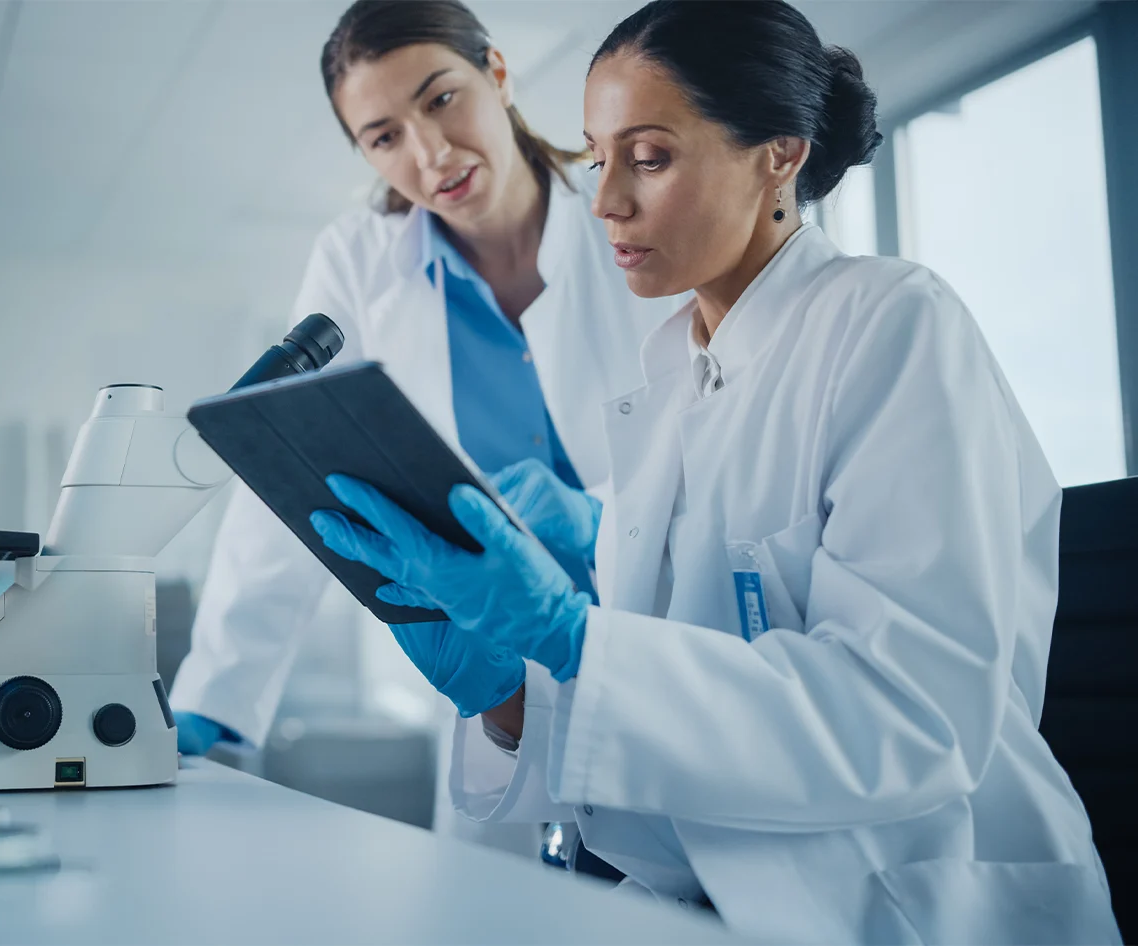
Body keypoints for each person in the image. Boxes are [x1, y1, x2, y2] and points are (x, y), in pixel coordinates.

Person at [308, 0, 1122, 941]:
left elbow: (912, 722)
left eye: (648, 157)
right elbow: (659, 738)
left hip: (911, 905)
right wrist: (507, 697)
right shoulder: (665, 389)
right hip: (695, 902)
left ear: (780, 153)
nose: (605, 198)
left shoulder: (893, 325)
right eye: (597, 154)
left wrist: (575, 637)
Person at [168, 0, 681, 855]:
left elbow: (714, 430)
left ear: (499, 73)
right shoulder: (360, 260)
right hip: (501, 678)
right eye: (384, 137)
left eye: (442, 99)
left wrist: (600, 518)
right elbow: (291, 477)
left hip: (664, 642)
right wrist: (216, 698)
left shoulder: (625, 215)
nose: (430, 154)